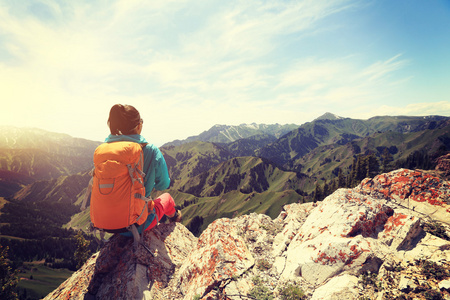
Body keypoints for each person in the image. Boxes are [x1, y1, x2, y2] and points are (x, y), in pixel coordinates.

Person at [105, 104, 181, 235]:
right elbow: (164, 184)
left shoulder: (106, 150)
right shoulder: (150, 151)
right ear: (139, 125)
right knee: (167, 198)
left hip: (108, 223)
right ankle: (175, 219)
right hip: (137, 224)